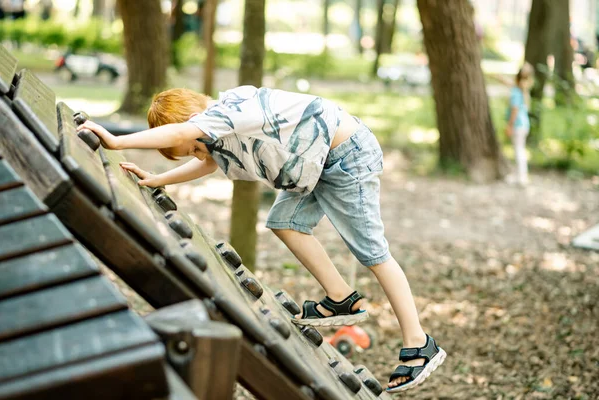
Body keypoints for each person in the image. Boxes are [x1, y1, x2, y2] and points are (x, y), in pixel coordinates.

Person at [78, 86, 447, 393]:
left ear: (194, 123)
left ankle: (419, 343)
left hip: (344, 156)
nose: (195, 151)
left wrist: (116, 141)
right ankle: (342, 299)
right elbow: (207, 162)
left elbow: (182, 136)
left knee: (372, 252)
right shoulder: (217, 134)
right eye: (190, 149)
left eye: (192, 144)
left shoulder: (232, 110)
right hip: (316, 163)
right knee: (284, 221)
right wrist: (159, 180)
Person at [505, 63, 533, 186]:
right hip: (524, 124)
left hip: (518, 125)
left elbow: (514, 110)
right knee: (520, 149)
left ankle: (521, 177)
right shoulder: (524, 91)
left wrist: (509, 125)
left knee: (518, 151)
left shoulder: (516, 92)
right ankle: (520, 175)